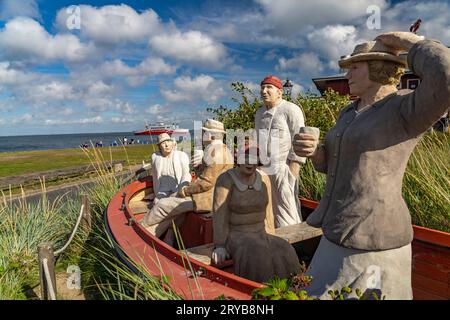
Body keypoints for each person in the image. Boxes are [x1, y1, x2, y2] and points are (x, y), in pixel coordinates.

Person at [293, 32, 450, 299]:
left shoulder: (404, 109)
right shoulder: (348, 112)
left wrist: (408, 41)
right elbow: (332, 164)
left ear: (378, 67)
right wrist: (314, 152)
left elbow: (446, 77)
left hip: (374, 242)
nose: (348, 75)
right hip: (335, 232)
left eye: (355, 67)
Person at [211, 146, 300, 283]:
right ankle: (260, 294)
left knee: (285, 249)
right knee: (258, 254)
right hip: (237, 235)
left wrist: (271, 237)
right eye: (246, 158)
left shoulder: (263, 178)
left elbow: (268, 213)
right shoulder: (226, 180)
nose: (250, 162)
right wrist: (220, 245)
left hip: (261, 233)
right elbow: (219, 215)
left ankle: (292, 289)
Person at [141, 119, 233, 245]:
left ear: (210, 135)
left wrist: (185, 190)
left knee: (163, 205)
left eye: (203, 133)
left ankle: (139, 227)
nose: (201, 136)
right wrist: (199, 165)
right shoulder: (219, 149)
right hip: (210, 195)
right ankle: (161, 236)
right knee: (174, 206)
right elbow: (208, 175)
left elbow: (206, 182)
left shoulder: (216, 152)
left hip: (209, 199)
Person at [255, 75, 306, 227]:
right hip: (263, 168)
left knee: (286, 209)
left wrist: (293, 170)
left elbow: (299, 139)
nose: (264, 91)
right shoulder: (259, 113)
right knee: (265, 209)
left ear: (280, 92)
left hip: (283, 168)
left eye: (269, 87)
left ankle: (291, 246)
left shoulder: (290, 109)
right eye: (262, 88)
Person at [151, 133, 191, 203]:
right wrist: (156, 193)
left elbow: (186, 174)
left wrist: (183, 187)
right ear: (159, 146)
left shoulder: (181, 155)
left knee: (178, 202)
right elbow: (154, 176)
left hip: (177, 188)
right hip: (162, 190)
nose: (167, 145)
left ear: (172, 143)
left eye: (168, 141)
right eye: (163, 143)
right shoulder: (155, 157)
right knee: (156, 202)